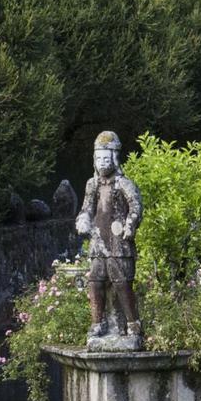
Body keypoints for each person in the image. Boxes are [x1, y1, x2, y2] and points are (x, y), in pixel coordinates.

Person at [75, 131, 143, 341]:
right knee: (95, 281)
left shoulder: (124, 183)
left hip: (118, 242)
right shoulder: (91, 184)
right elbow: (86, 208)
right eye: (99, 159)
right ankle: (97, 322)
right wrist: (83, 220)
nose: (103, 163)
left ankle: (132, 323)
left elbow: (136, 206)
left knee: (122, 282)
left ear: (114, 158)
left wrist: (129, 225)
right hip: (98, 241)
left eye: (107, 158)